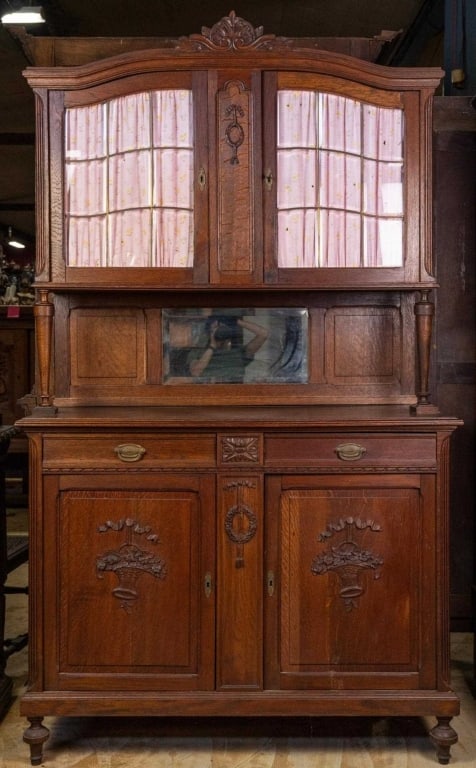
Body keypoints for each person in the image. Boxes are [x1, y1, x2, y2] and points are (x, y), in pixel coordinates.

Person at [189, 316, 268, 382]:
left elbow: (263, 334)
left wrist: (235, 321)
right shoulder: (199, 353)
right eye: (217, 329)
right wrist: (212, 346)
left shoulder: (238, 355)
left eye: (223, 328)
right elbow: (196, 372)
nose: (220, 331)